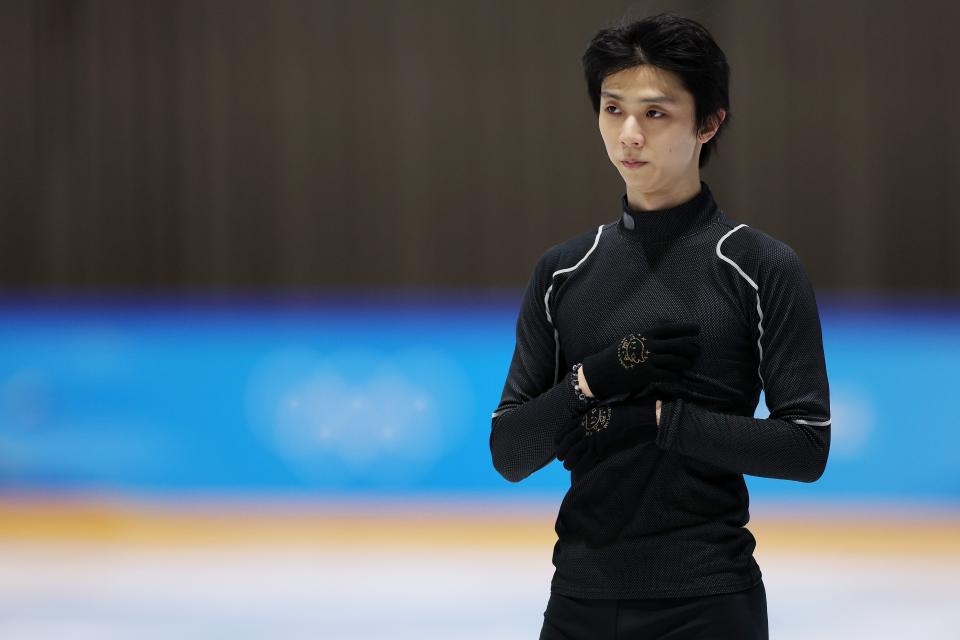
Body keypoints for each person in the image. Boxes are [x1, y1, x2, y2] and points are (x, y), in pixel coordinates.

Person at [489, 12, 831, 640]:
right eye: (613, 109)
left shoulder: (759, 268)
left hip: (707, 603)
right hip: (578, 602)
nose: (629, 135)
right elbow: (510, 451)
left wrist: (655, 422)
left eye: (655, 113)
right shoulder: (564, 272)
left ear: (709, 122)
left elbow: (805, 448)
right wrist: (593, 378)